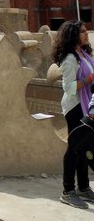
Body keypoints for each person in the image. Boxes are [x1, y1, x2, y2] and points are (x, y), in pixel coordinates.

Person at [53, 20, 94, 209]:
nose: (86, 34)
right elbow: (69, 88)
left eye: (86, 31)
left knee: (83, 146)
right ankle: (68, 191)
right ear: (73, 36)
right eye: (83, 32)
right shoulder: (70, 59)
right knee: (74, 148)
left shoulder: (83, 54)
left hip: (85, 105)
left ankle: (83, 187)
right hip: (75, 106)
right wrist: (88, 80)